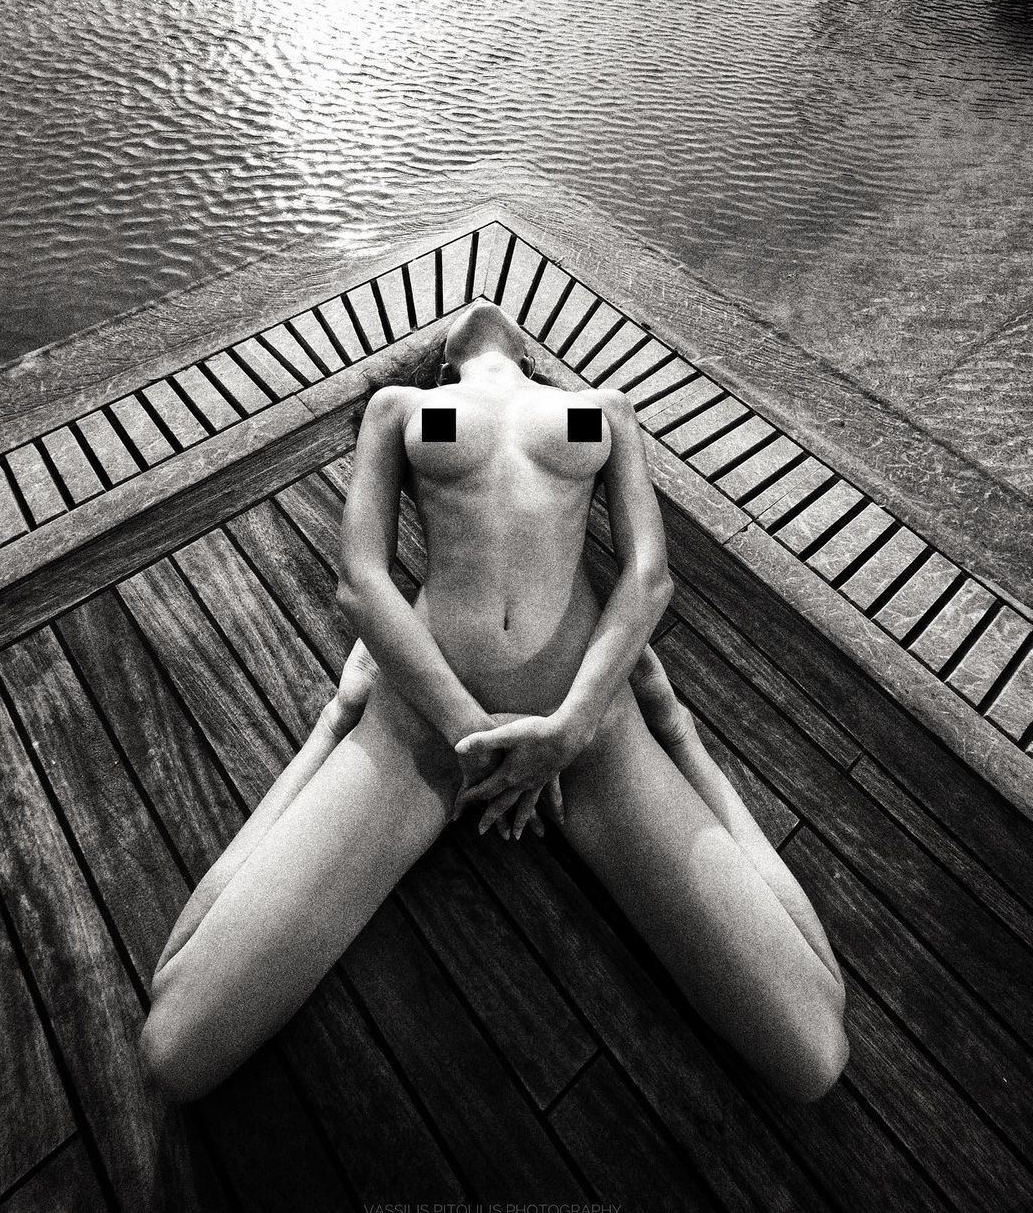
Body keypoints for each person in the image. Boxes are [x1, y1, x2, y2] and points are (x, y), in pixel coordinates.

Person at [140, 299, 848, 1105]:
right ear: (443, 363)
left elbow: (650, 578)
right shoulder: (407, 408)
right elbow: (359, 581)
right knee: (174, 1051)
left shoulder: (599, 408)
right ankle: (334, 724)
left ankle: (675, 729)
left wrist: (580, 725)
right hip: (424, 727)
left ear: (531, 355)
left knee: (813, 1056)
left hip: (589, 729)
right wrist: (460, 729)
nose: (480, 304)